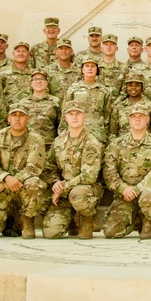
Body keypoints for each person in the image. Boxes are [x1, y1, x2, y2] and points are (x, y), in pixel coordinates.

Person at [0, 102, 46, 239]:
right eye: (14, 115)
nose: (17, 118)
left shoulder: (36, 139)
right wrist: (5, 178)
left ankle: (27, 221)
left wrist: (4, 183)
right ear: (8, 119)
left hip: (22, 189)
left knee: (34, 183)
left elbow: (33, 168)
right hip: (1, 191)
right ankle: (7, 219)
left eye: (21, 115)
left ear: (28, 119)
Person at [102, 103, 151, 239]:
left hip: (147, 191)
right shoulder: (116, 144)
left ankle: (147, 220)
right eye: (134, 116)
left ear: (148, 119)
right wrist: (123, 188)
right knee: (111, 232)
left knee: (150, 197)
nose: (137, 119)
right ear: (128, 119)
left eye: (141, 116)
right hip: (125, 193)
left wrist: (138, 189)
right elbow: (109, 172)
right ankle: (136, 220)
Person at [44, 100, 104, 239]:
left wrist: (62, 188)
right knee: (50, 233)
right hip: (64, 192)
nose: (74, 117)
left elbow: (89, 176)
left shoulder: (91, 141)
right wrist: (55, 183)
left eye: (78, 114)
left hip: (86, 189)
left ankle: (86, 219)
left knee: (78, 193)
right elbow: (50, 167)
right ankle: (72, 219)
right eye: (71, 114)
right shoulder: (59, 141)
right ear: (65, 118)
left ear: (85, 117)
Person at [63, 56, 114, 143]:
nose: (90, 69)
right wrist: (63, 132)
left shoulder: (104, 91)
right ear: (82, 70)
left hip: (98, 134)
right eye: (87, 66)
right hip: (76, 133)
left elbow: (107, 116)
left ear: (97, 70)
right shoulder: (73, 89)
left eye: (93, 66)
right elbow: (65, 111)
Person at [108, 71, 151, 138]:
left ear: (142, 87)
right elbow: (113, 132)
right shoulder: (119, 107)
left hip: (146, 146)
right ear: (126, 87)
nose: (133, 88)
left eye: (137, 85)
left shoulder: (150, 106)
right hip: (124, 146)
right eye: (130, 85)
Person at [0, 41, 34, 123]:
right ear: (13, 53)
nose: (21, 53)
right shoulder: (3, 73)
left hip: (31, 117)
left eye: (24, 51)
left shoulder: (34, 74)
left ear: (29, 54)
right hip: (10, 116)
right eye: (18, 51)